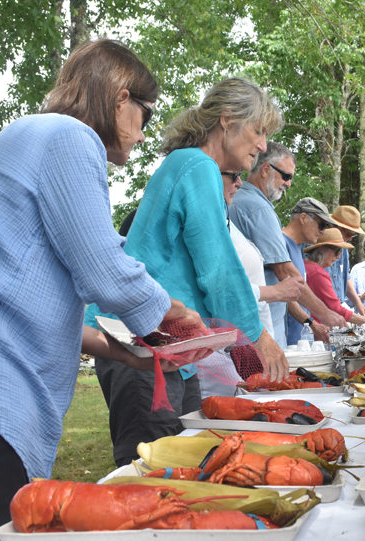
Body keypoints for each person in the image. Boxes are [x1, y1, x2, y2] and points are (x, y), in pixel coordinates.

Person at [0, 39, 206, 540]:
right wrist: (174, 315)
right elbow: (105, 269)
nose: (143, 132)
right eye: (146, 111)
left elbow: (25, 290)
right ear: (121, 99)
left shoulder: (33, 134)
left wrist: (116, 348)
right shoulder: (69, 137)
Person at [85, 77, 290, 468]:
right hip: (141, 343)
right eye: (259, 131)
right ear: (227, 122)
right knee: (155, 474)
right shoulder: (195, 164)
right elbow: (218, 270)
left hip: (173, 351)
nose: (263, 146)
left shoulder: (198, 168)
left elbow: (210, 273)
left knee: (194, 462)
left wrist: (248, 361)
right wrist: (258, 339)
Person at [229, 143, 345, 347]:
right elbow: (286, 274)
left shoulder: (241, 200)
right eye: (286, 176)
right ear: (265, 169)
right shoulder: (258, 208)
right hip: (258, 336)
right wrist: (326, 315)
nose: (289, 184)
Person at [221, 171, 301, 337]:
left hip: (257, 334)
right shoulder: (257, 207)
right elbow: (222, 289)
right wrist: (276, 292)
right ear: (265, 169)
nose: (239, 182)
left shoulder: (226, 215)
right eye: (234, 174)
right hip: (241, 338)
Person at [281, 198, 348, 344]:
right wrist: (315, 321)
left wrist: (312, 323)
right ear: (303, 218)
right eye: (321, 225)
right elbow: (286, 296)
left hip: (298, 337)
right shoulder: (281, 244)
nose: (323, 232)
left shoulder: (297, 249)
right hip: (283, 338)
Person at [303, 228, 365, 326]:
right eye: (337, 251)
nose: (339, 257)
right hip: (312, 330)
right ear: (321, 249)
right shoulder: (318, 273)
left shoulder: (306, 267)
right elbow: (336, 308)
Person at [328, 205, 365, 316]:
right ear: (334, 227)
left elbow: (346, 279)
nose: (350, 238)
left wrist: (358, 304)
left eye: (353, 235)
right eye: (348, 234)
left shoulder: (344, 250)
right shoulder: (317, 247)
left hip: (338, 310)